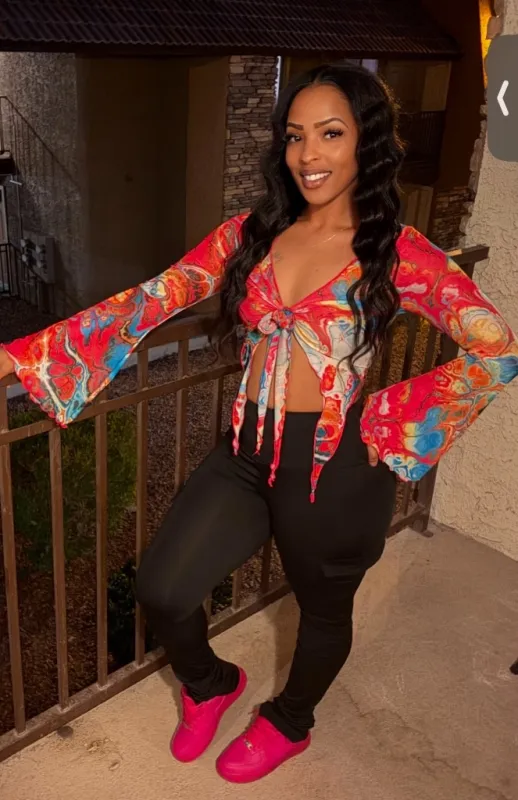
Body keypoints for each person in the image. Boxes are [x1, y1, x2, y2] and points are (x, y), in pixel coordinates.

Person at [1, 63, 517, 784]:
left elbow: (497, 348)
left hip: (336, 464)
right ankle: (212, 684)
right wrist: (19, 356)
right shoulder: (251, 234)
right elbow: (156, 296)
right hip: (245, 453)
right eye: (296, 135)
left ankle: (291, 721)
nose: (308, 154)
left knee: (323, 610)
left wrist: (394, 423)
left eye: (330, 134)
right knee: (164, 588)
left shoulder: (399, 253)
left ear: (366, 142)